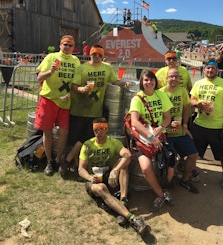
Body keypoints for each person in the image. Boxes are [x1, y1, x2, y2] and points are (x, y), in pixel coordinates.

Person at [62, 45, 129, 178]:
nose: (97, 57)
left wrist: (125, 83)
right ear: (90, 55)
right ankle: (71, 164)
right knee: (75, 139)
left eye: (99, 54)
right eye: (94, 54)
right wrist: (82, 90)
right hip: (79, 109)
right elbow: (73, 86)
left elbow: (114, 81)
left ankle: (68, 161)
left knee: (86, 138)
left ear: (102, 56)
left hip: (95, 111)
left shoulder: (107, 68)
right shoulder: (82, 68)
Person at [78, 117, 149, 235]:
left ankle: (123, 200)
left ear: (107, 129)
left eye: (102, 128)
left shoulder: (113, 142)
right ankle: (131, 218)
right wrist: (90, 178)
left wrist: (115, 170)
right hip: (95, 179)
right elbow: (81, 169)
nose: (99, 132)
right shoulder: (88, 145)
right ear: (93, 130)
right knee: (101, 188)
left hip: (109, 174)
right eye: (96, 129)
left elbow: (127, 154)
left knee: (124, 165)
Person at [34, 35, 81, 176]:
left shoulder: (75, 61)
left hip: (65, 101)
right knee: (47, 131)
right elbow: (39, 77)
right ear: (60, 45)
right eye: (65, 44)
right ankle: (49, 161)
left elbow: (75, 83)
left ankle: (58, 159)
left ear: (74, 48)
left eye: (70, 45)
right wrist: (51, 71)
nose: (67, 47)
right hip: (48, 99)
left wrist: (77, 90)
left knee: (64, 132)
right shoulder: (51, 57)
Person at [129, 70, 174, 212]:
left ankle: (165, 187)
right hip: (143, 139)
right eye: (146, 80)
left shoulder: (161, 95)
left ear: (155, 81)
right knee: (146, 168)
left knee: (171, 162)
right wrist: (150, 136)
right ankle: (161, 195)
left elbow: (168, 117)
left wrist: (161, 127)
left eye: (151, 79)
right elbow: (134, 122)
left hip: (160, 136)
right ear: (142, 83)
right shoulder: (137, 99)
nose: (149, 83)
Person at [190, 59, 223, 190]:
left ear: (217, 70)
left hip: (218, 127)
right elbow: (192, 99)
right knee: (195, 153)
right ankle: (194, 172)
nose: (210, 70)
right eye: (208, 68)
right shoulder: (198, 83)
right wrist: (197, 104)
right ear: (204, 70)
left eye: (213, 68)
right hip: (199, 124)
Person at [160, 68, 199, 193]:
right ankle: (166, 185)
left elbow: (186, 109)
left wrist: (185, 126)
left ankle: (185, 179)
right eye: (171, 76)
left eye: (176, 76)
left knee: (194, 155)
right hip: (165, 133)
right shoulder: (160, 92)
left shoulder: (182, 91)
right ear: (166, 78)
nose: (174, 79)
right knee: (169, 160)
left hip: (180, 130)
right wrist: (166, 124)